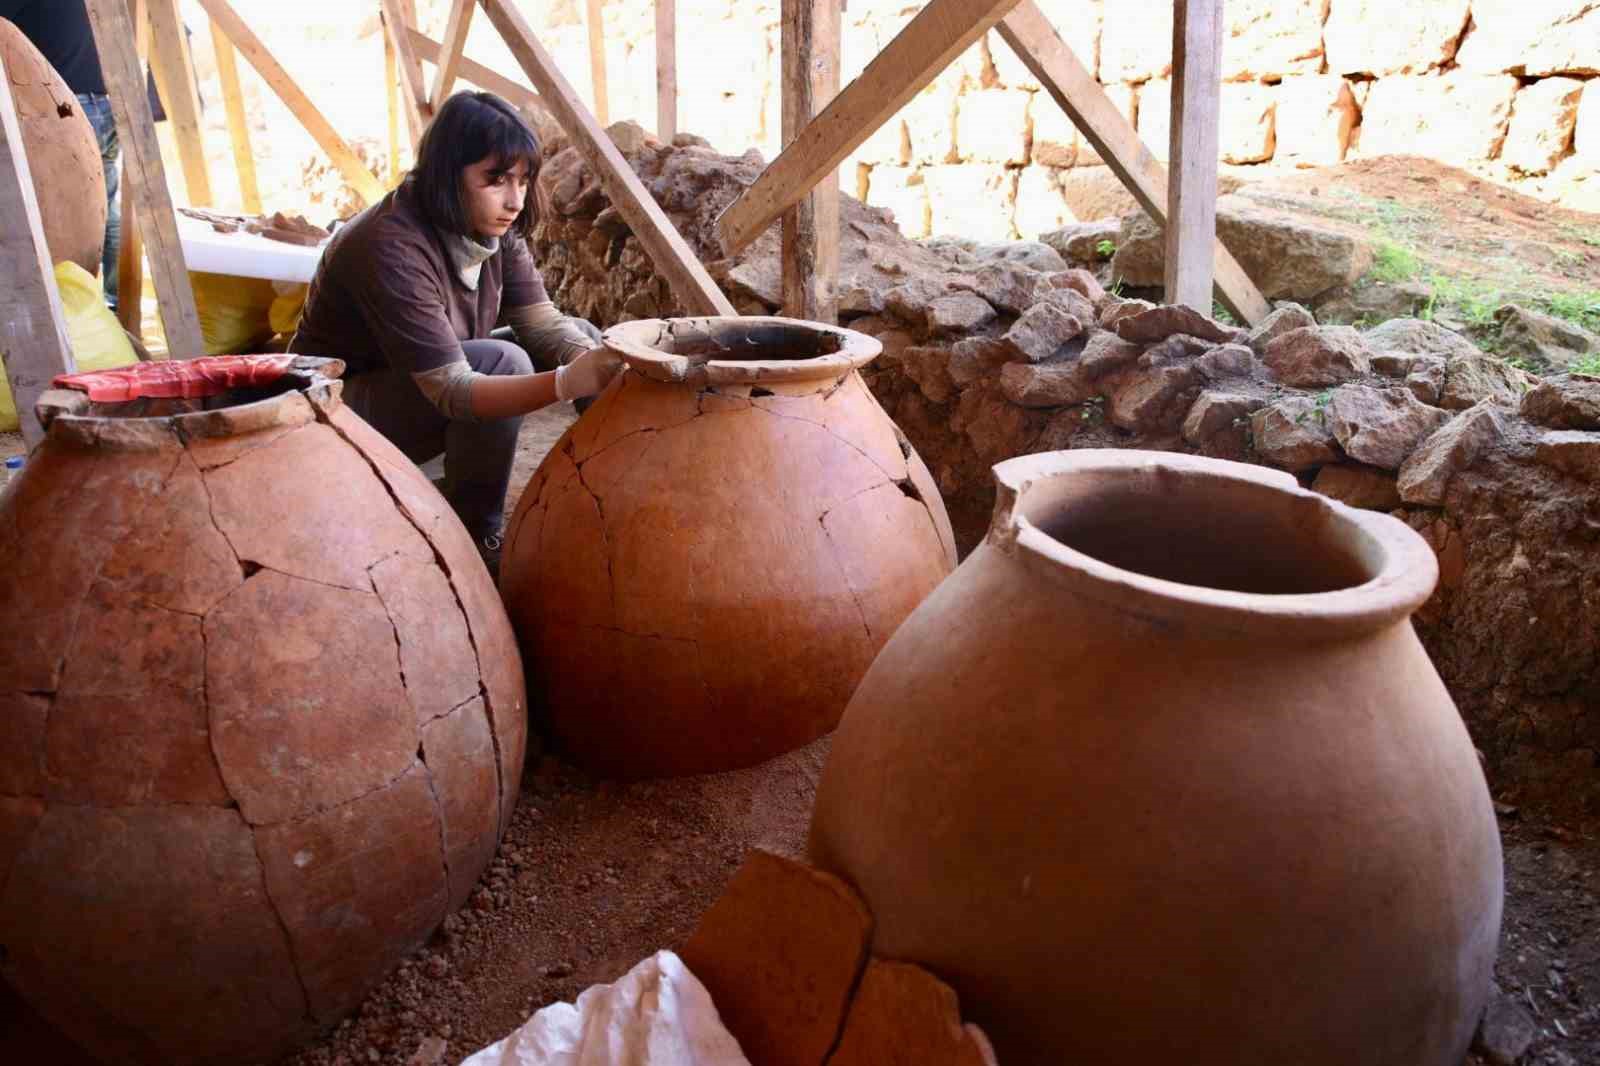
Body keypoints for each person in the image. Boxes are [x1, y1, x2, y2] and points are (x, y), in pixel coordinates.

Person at [290, 91, 622, 576]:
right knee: (503, 361)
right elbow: (450, 388)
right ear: (448, 173)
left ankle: (617, 495)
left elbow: (541, 323)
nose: (515, 200)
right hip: (330, 418)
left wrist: (596, 359)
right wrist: (567, 382)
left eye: (523, 181)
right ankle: (475, 530)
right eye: (496, 180)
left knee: (588, 335)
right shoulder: (387, 245)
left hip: (406, 387)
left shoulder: (491, 223)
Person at [2, 0, 173, 310]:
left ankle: (77, 308)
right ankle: (113, 304)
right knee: (105, 208)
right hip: (117, 99)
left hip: (73, 107)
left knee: (64, 213)